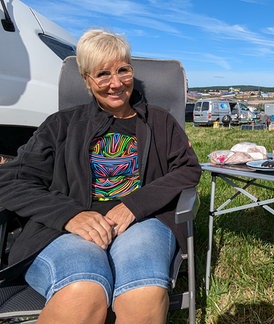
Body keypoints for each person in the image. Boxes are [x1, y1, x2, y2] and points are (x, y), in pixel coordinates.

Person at [0, 29, 202, 323]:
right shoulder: (61, 125)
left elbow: (188, 169)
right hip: (65, 231)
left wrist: (134, 205)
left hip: (143, 223)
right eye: (103, 74)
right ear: (86, 80)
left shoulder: (159, 121)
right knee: (83, 291)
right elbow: (10, 180)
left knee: (142, 292)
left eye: (123, 70)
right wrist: (70, 215)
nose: (116, 83)